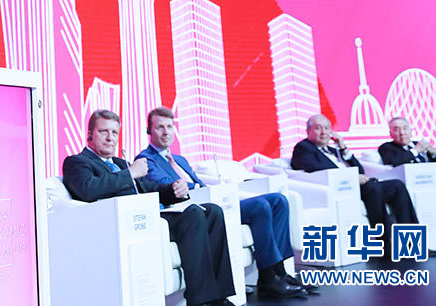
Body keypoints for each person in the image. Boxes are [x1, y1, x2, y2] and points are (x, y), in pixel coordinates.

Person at [62, 110, 235, 306]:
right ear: (90, 134)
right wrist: (129, 173)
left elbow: (148, 188)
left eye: (114, 132)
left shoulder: (120, 163)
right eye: (104, 132)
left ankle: (220, 298)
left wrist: (173, 189)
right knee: (193, 214)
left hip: (148, 217)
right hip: (123, 223)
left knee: (213, 211)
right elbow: (88, 189)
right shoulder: (77, 161)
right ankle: (200, 301)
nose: (110, 138)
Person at [136, 107, 309, 299]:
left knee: (278, 201)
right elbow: (168, 186)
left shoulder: (179, 159)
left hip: (213, 199)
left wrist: (213, 188)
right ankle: (269, 278)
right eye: (160, 127)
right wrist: (198, 187)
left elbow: (198, 183)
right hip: (197, 210)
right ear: (149, 130)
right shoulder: (145, 159)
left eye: (169, 126)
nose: (166, 132)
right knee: (260, 207)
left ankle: (281, 272)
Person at [291, 114, 417, 242]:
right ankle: (385, 241)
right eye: (318, 128)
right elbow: (316, 169)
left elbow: (360, 170)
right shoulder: (303, 148)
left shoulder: (333, 150)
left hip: (357, 186)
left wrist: (343, 148)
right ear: (308, 131)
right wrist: (352, 178)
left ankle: (411, 241)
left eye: (327, 128)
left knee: (397, 185)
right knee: (373, 188)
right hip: (340, 188)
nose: (324, 132)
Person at [379, 116, 436, 229]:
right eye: (396, 129)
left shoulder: (420, 144)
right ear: (390, 133)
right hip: (417, 182)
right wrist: (415, 151)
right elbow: (394, 163)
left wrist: (434, 152)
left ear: (411, 131)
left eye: (405, 128)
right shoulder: (387, 148)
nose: (402, 132)